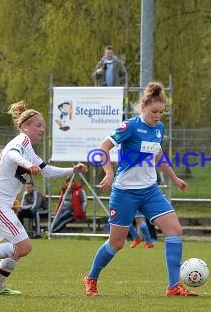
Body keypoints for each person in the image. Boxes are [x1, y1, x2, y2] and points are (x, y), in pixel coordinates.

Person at [0, 100, 88, 295]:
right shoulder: (21, 142)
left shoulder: (29, 150)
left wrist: (72, 169)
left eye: (44, 126)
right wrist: (27, 166)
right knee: (23, 246)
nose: (42, 130)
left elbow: (47, 171)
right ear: (25, 127)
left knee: (18, 247)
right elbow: (11, 154)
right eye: (38, 125)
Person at [82, 81, 196, 297]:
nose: (158, 116)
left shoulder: (159, 128)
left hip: (150, 191)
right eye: (154, 111)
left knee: (175, 231)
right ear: (143, 107)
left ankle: (173, 286)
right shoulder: (130, 127)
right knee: (116, 243)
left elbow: (158, 155)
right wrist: (108, 172)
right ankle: (91, 277)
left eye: (162, 112)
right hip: (125, 192)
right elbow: (103, 147)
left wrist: (174, 178)